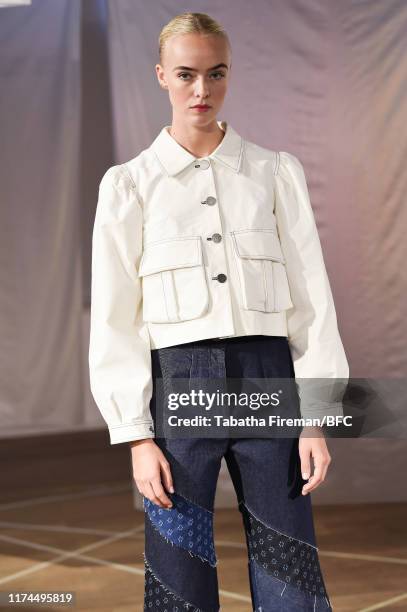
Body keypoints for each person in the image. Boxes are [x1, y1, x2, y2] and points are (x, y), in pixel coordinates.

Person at [88, 11, 349, 612]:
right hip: (178, 388)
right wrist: (134, 436)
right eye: (186, 75)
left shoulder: (275, 173)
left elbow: (313, 300)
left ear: (230, 75)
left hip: (267, 380)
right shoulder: (129, 185)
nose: (201, 90)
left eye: (216, 74)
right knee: (179, 568)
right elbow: (114, 318)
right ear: (161, 76)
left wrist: (317, 418)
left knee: (289, 562)